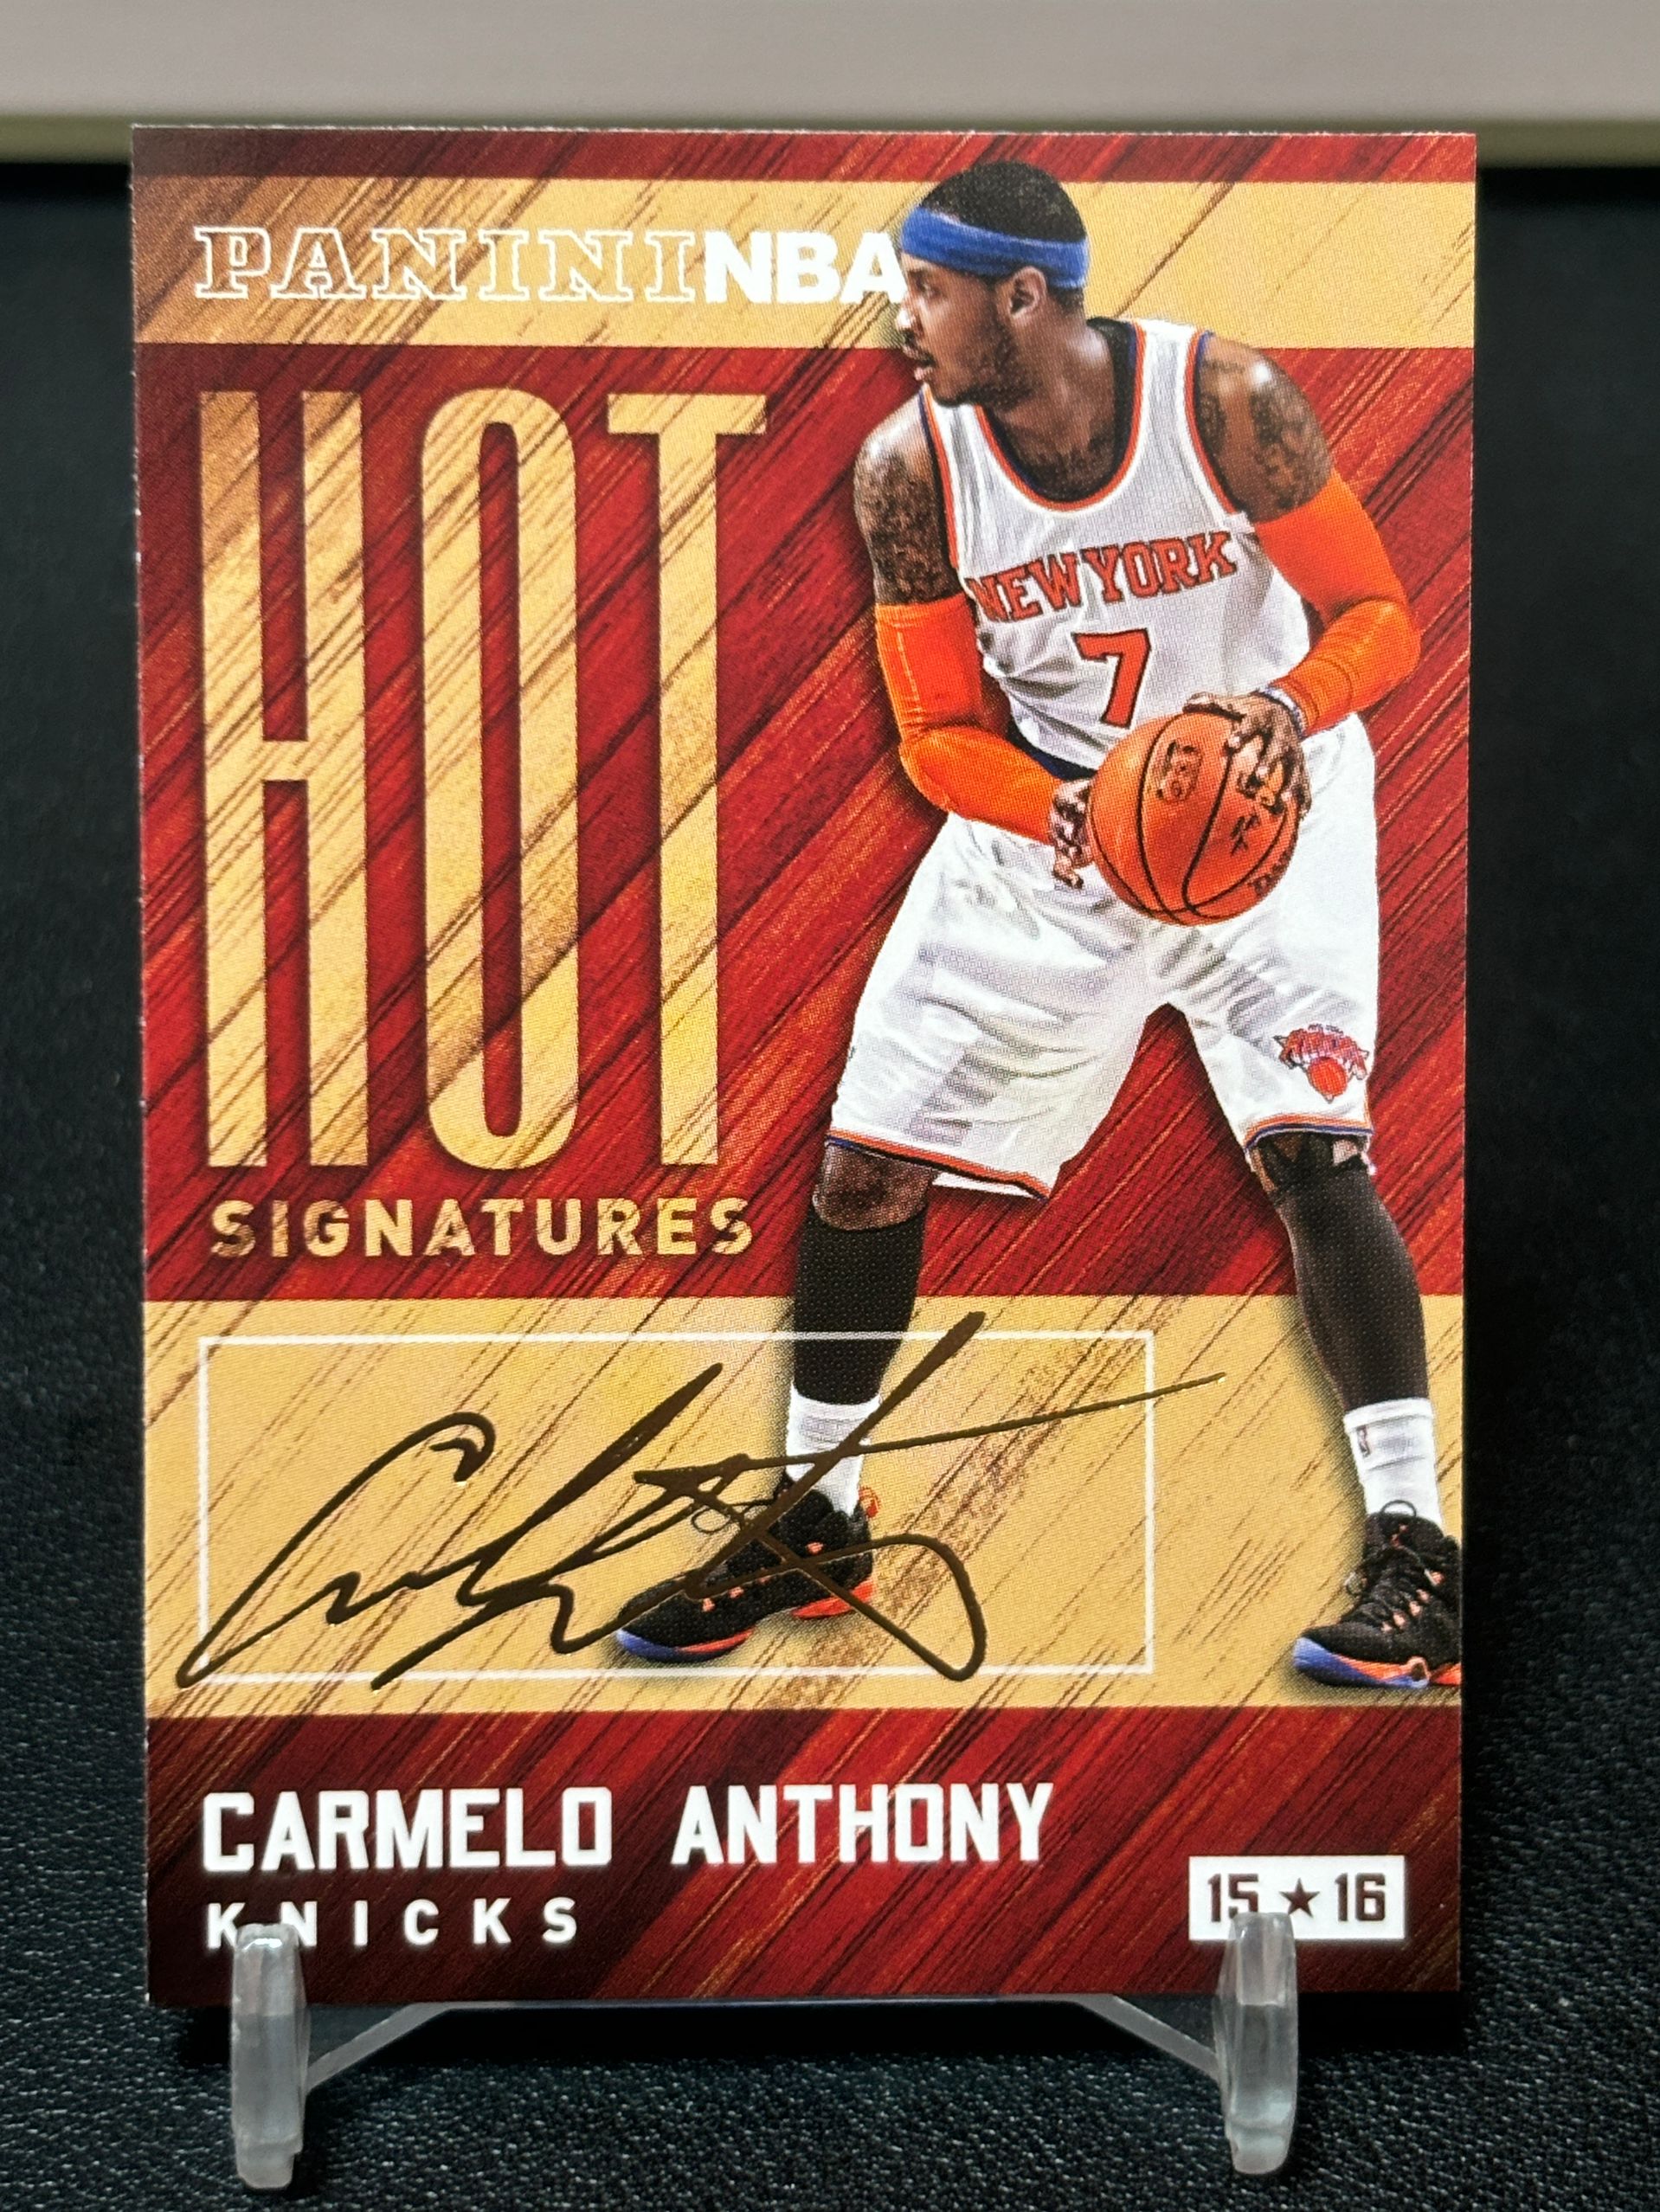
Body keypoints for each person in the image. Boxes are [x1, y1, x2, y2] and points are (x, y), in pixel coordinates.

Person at [617, 160, 1460, 1690]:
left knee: (1312, 1154)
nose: (899, 319)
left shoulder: (1222, 400)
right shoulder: (908, 469)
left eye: (926, 291)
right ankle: (816, 1518)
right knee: (864, 1169)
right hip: (1060, 824)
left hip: (1268, 811)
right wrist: (1058, 808)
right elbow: (936, 733)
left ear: (1020, 297)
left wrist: (1281, 710)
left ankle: (1416, 1549)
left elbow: (1381, 615)